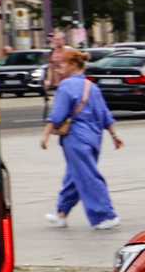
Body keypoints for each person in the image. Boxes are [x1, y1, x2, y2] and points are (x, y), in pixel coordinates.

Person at [37, 47, 124, 230]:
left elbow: (57, 114)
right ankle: (61, 214)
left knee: (88, 177)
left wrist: (45, 136)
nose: (59, 68)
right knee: (74, 175)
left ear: (73, 65)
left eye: (62, 64)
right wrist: (114, 135)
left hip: (76, 138)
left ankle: (105, 215)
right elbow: (104, 114)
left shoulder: (66, 86)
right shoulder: (91, 86)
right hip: (94, 139)